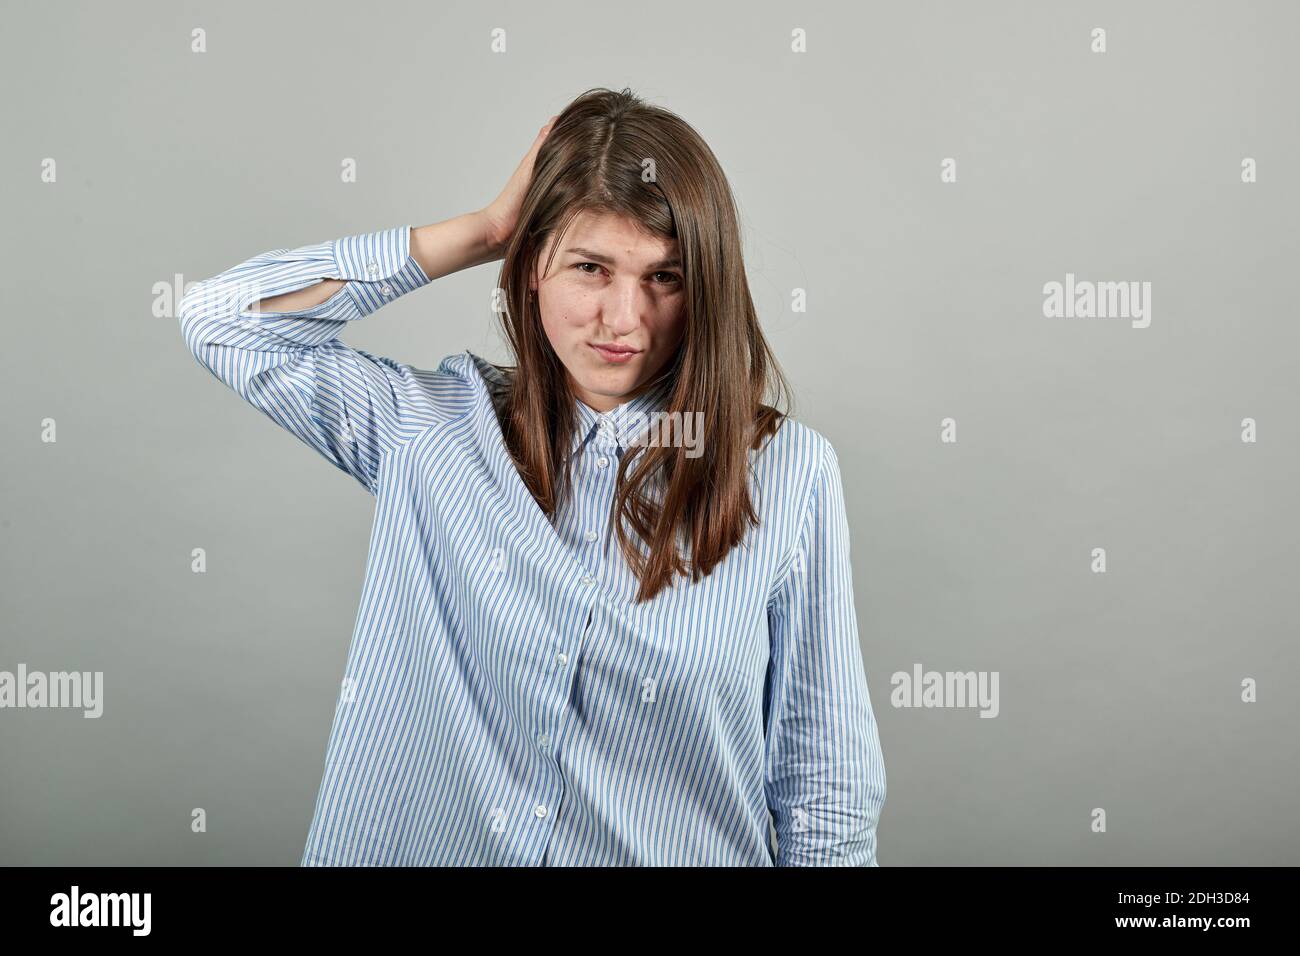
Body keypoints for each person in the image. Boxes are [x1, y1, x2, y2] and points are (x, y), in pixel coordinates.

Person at [177, 87, 886, 866]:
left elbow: (824, 784)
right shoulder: (429, 433)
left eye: (665, 278)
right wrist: (481, 233)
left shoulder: (788, 474)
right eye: (590, 267)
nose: (624, 319)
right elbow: (225, 320)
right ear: (531, 268)